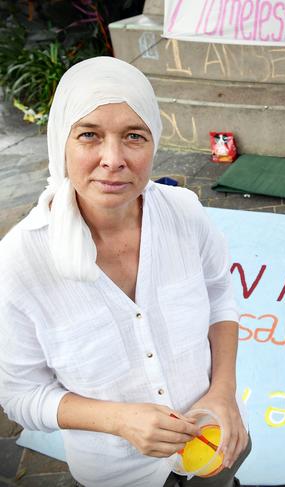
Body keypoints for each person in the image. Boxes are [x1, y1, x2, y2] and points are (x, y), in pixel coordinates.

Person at [0, 57, 250, 487]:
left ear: (154, 142)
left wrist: (223, 392)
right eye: (89, 135)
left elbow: (219, 297)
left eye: (133, 136)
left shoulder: (185, 213)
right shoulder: (19, 262)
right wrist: (118, 420)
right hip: (117, 473)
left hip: (215, 442)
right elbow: (20, 395)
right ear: (61, 142)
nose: (112, 159)